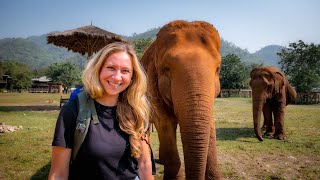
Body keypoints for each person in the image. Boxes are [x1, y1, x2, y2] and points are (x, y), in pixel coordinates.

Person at [49, 42, 154, 180]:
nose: (117, 77)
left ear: (133, 77)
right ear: (98, 69)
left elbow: (145, 163)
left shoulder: (138, 110)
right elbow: (58, 174)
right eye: (111, 68)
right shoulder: (73, 110)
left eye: (125, 71)